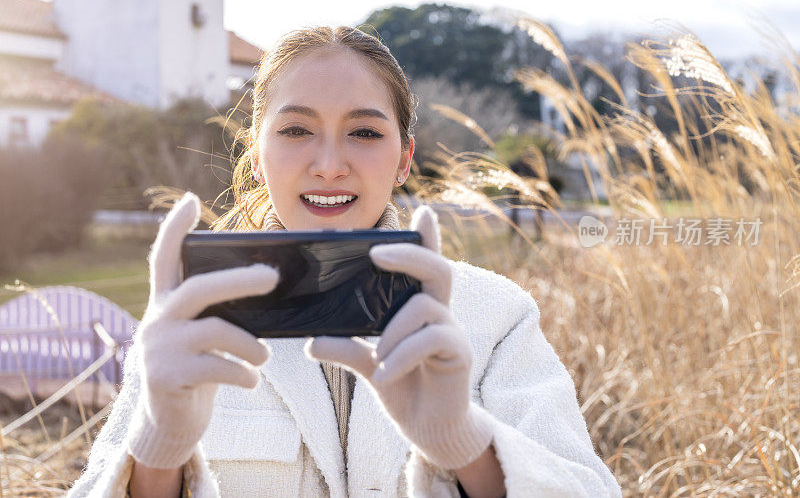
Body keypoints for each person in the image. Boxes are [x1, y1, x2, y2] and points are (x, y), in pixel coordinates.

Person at [68, 26, 622, 498]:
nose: (330, 164)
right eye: (295, 130)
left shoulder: (496, 317)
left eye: (364, 132)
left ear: (405, 157)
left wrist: (466, 443)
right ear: (257, 158)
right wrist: (158, 449)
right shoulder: (187, 322)